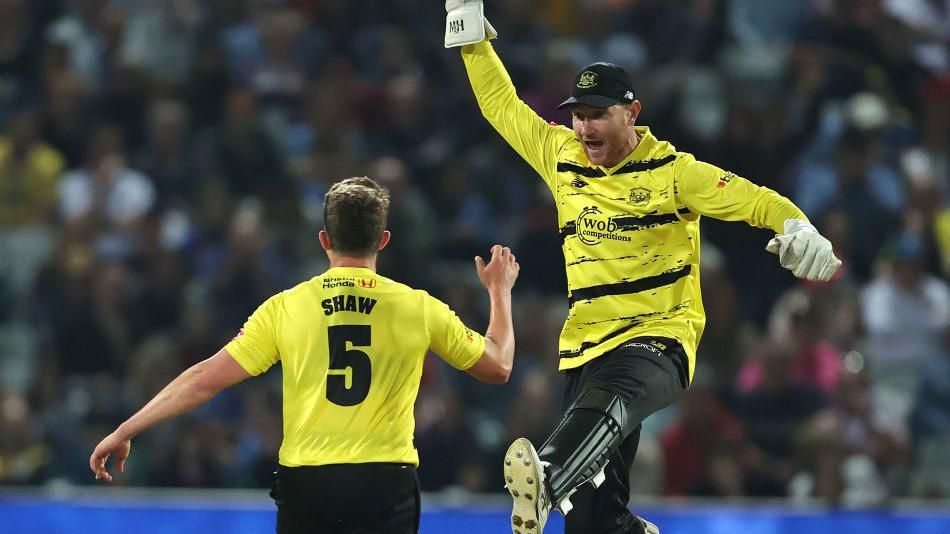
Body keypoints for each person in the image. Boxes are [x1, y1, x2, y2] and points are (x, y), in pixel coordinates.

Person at [444, 2, 841, 533]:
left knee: (613, 395)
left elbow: (756, 200)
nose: (584, 127)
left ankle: (550, 472)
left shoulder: (675, 173)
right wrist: (469, 29)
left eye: (597, 115)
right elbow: (500, 104)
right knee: (593, 523)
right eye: (578, 114)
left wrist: (797, 227)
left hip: (659, 340)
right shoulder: (560, 155)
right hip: (586, 347)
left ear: (631, 114)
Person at [90, 176, 521, 534]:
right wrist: (499, 294)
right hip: (384, 482)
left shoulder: (287, 307)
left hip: (308, 483)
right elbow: (499, 366)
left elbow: (204, 379)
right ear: (383, 240)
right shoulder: (418, 307)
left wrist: (127, 427)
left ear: (323, 239)